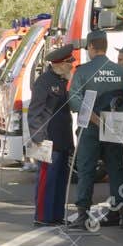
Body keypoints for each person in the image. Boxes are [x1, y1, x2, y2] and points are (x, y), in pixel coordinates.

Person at [66, 31, 123, 229]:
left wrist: (95, 119)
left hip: (90, 128)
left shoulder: (83, 71)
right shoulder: (121, 71)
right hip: (116, 127)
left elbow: (74, 100)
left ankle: (82, 216)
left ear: (91, 48)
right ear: (104, 46)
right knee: (117, 169)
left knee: (87, 170)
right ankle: (121, 215)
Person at [29, 46, 77, 226]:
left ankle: (56, 215)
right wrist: (38, 139)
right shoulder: (44, 81)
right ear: (61, 64)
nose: (71, 67)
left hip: (62, 139)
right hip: (46, 139)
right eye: (69, 64)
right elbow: (35, 112)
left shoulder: (63, 81)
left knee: (60, 180)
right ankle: (42, 217)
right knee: (46, 181)